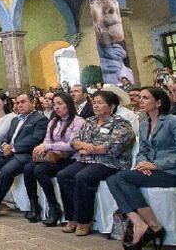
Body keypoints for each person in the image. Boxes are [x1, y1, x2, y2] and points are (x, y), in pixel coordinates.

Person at [107, 87, 176, 250]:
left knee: (122, 178)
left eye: (145, 98)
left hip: (174, 173)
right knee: (113, 179)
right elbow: (143, 151)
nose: (141, 101)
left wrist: (156, 165)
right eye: (140, 97)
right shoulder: (145, 123)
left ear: (159, 102)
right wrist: (142, 164)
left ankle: (151, 225)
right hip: (152, 170)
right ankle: (140, 223)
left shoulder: (175, 122)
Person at [57, 90, 135, 236]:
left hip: (110, 162)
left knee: (83, 177)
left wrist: (88, 149)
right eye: (94, 103)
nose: (96, 106)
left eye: (100, 103)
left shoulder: (121, 124)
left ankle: (84, 221)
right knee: (63, 175)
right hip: (87, 159)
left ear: (111, 107)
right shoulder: (90, 121)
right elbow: (75, 140)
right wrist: (83, 146)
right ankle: (71, 218)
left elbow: (113, 146)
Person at [0, 92, 49, 219]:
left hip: (24, 154)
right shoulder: (15, 120)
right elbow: (5, 138)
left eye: (23, 102)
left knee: (6, 170)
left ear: (33, 103)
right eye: (17, 103)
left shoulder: (39, 119)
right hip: (7, 152)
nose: (20, 105)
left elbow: (35, 139)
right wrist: (4, 145)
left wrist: (13, 148)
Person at [24, 92, 85, 226]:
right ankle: (34, 205)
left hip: (70, 157)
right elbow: (47, 139)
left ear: (68, 104)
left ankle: (54, 207)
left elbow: (71, 144)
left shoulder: (78, 121)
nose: (56, 107)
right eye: (55, 104)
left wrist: (48, 146)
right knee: (28, 168)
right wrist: (42, 146)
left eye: (60, 104)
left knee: (40, 170)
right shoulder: (53, 121)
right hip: (53, 156)